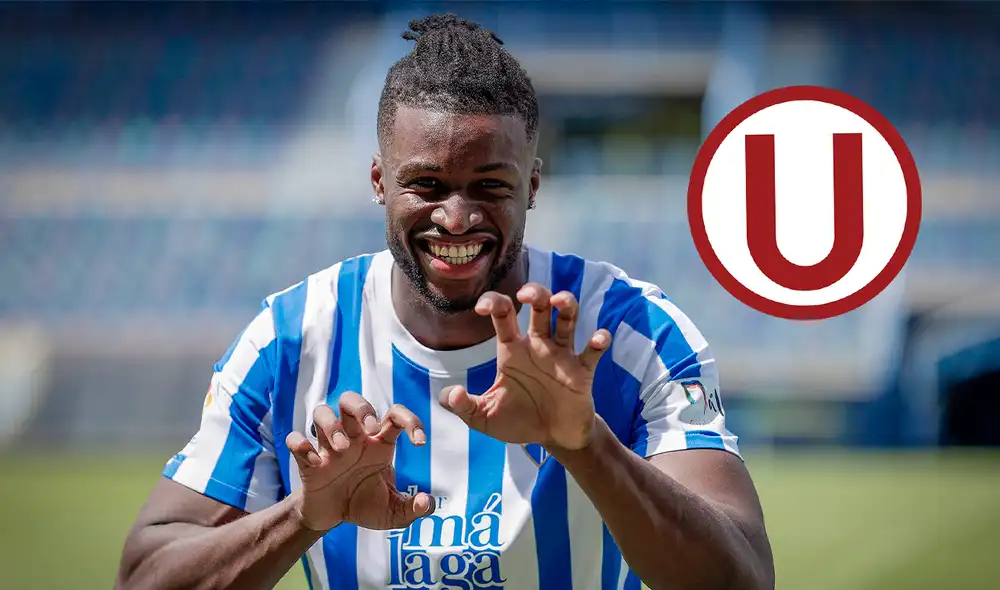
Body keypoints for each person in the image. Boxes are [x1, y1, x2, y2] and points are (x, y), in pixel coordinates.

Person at [117, 13, 774, 590]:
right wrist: (301, 517)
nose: (456, 219)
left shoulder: (635, 333)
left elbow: (742, 577)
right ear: (380, 180)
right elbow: (143, 578)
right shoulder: (289, 340)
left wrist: (585, 445)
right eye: (427, 184)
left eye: (489, 185)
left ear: (533, 185)